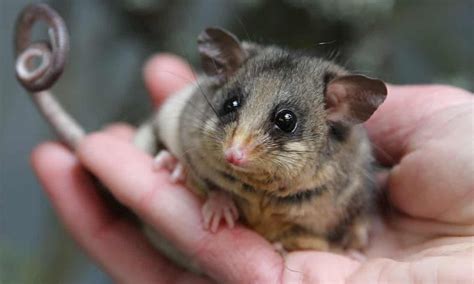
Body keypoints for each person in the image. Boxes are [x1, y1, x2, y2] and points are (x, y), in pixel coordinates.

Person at [31, 54, 474, 283]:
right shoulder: (208, 127)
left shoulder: (346, 164)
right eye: (235, 107)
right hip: (181, 175)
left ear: (339, 107)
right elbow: (191, 126)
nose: (236, 150)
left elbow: (357, 200)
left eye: (283, 124)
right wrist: (205, 180)